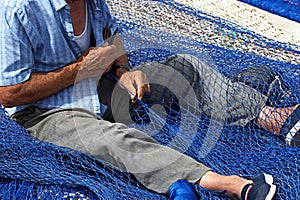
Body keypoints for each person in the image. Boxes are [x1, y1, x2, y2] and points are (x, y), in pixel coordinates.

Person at [1, 0, 298, 199]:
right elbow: (9, 93)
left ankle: (269, 117)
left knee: (186, 68)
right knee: (115, 138)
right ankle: (227, 184)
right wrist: (80, 69)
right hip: (46, 111)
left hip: (99, 87)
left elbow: (111, 42)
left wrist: (125, 71)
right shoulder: (17, 10)